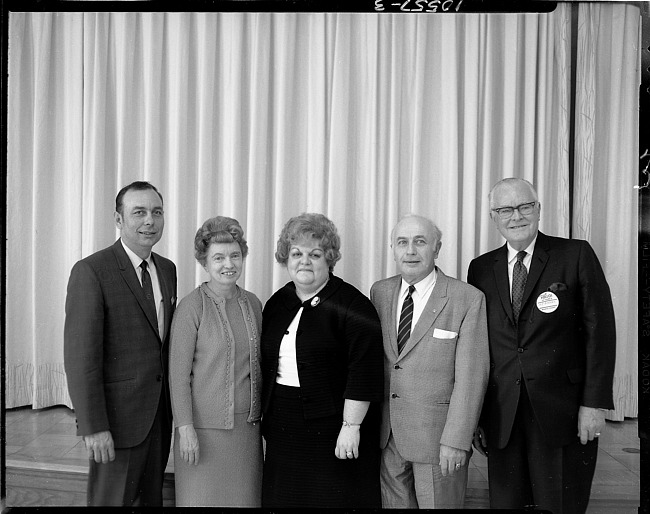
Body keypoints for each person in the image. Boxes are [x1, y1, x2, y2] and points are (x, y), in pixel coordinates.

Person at [467, 177, 616, 514]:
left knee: (561, 504)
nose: (515, 216)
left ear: (538, 209)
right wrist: (476, 415)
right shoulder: (479, 269)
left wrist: (594, 404)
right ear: (493, 216)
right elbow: (477, 347)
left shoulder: (575, 254)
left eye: (524, 206)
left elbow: (600, 334)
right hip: (502, 414)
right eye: (505, 209)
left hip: (562, 411)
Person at [64, 181, 177, 506]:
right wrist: (93, 426)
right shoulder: (91, 271)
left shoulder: (167, 270)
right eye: (138, 212)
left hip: (158, 418)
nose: (149, 221)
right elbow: (80, 357)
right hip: (115, 423)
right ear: (118, 218)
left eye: (157, 212)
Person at [261, 213, 384, 508]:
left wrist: (350, 427)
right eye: (296, 253)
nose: (304, 261)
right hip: (283, 426)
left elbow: (364, 372)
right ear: (285, 258)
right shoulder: (277, 302)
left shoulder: (353, 306)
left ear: (328, 259)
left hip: (334, 429)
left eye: (314, 254)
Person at [370, 214, 489, 509]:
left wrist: (457, 440)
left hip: (439, 442)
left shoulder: (467, 298)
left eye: (420, 242)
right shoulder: (379, 292)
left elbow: (472, 377)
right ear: (393, 249)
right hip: (388, 438)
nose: (410, 251)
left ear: (437, 248)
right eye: (402, 242)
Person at [168, 216, 263, 507]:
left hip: (246, 434)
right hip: (202, 432)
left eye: (235, 255)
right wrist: (185, 429)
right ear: (204, 262)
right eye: (218, 257)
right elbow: (178, 376)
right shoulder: (191, 307)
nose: (228, 264)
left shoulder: (253, 303)